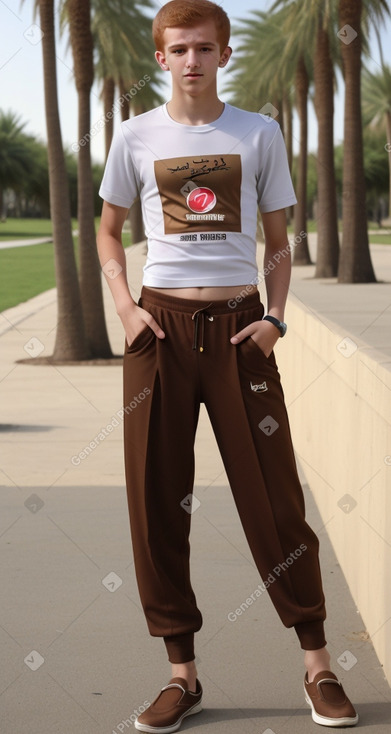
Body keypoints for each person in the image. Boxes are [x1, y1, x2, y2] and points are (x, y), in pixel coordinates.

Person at [97, 1, 358, 730]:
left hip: (241, 331)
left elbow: (278, 238)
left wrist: (274, 317)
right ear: (161, 58)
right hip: (160, 333)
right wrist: (125, 308)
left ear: (224, 52)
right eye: (177, 48)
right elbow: (109, 230)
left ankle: (317, 664)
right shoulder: (134, 136)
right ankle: (181, 674)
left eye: (203, 47)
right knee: (155, 499)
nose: (191, 60)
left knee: (273, 499)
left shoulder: (256, 132)